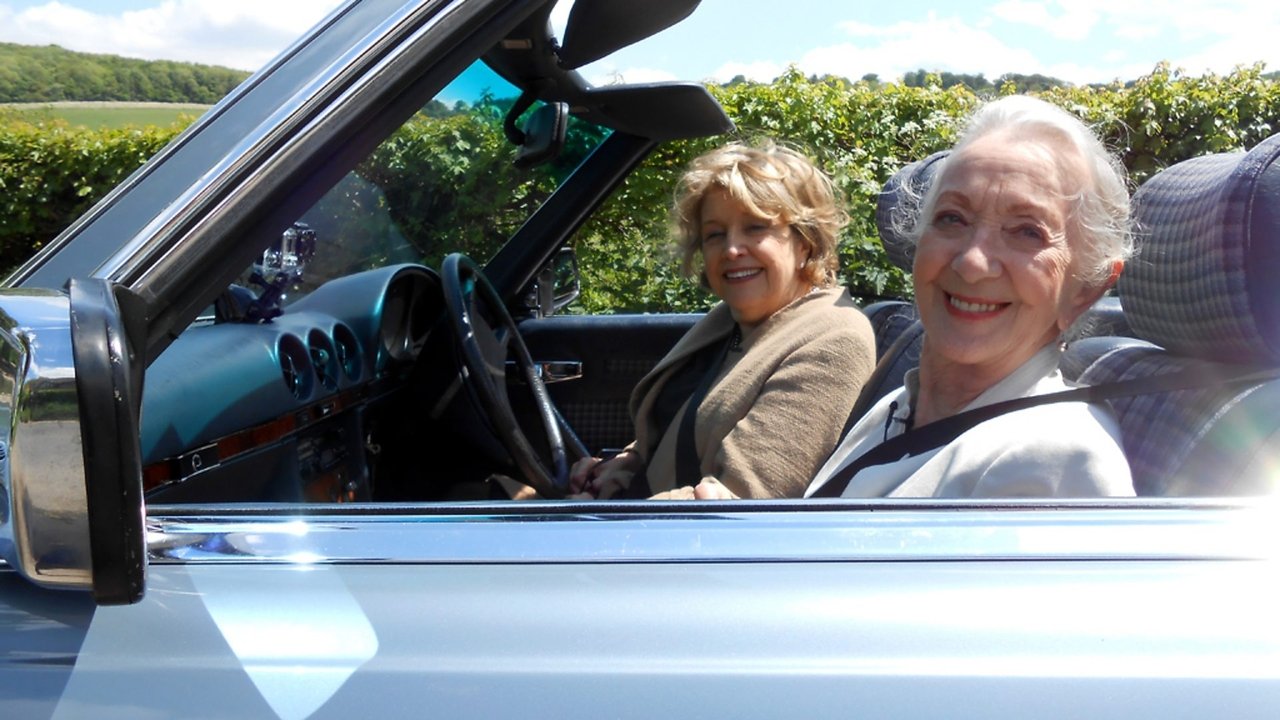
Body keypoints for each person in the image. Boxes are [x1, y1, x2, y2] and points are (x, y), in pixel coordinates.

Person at [699, 96, 1136, 500]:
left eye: (1027, 231)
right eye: (952, 218)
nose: (971, 262)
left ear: (1084, 291)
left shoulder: (1058, 463)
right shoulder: (902, 406)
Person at [569, 140, 876, 500]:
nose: (731, 249)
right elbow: (688, 420)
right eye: (715, 234)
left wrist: (592, 522)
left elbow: (741, 500)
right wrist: (626, 464)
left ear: (805, 241)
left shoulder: (835, 339)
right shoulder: (733, 320)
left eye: (756, 227)